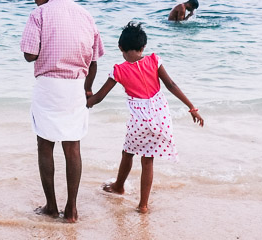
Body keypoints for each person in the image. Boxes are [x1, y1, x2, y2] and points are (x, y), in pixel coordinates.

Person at [86, 21, 204, 213]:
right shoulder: (154, 60)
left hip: (139, 120)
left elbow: (99, 97)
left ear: (120, 47)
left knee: (127, 152)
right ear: (143, 47)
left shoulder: (118, 70)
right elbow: (171, 85)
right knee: (148, 160)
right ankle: (143, 205)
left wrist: (85, 102)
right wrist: (191, 107)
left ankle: (118, 186)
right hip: (161, 117)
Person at [20, 0, 104, 222]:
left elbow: (29, 55)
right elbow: (95, 61)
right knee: (73, 147)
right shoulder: (86, 15)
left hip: (48, 86)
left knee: (45, 146)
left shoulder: (39, 14)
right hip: (75, 87)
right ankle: (72, 210)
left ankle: (51, 206)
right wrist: (88, 89)